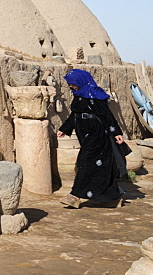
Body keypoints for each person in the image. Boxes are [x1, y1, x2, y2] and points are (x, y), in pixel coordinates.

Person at [55, 69, 128, 208]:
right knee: (99, 165)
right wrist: (64, 128)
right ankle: (113, 196)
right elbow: (74, 114)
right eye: (70, 84)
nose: (71, 86)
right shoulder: (78, 95)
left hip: (97, 133)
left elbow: (107, 115)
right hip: (85, 133)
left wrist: (116, 132)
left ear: (81, 81)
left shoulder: (94, 94)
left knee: (85, 161)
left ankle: (74, 196)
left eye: (73, 83)